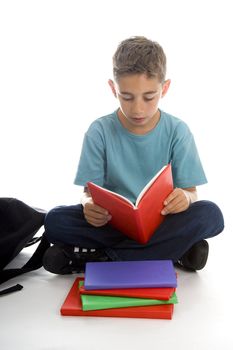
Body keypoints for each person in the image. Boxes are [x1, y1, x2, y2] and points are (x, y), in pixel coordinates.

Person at [43, 36, 224, 274]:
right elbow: (89, 193)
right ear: (113, 89)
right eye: (126, 97)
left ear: (165, 88)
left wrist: (186, 198)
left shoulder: (178, 131)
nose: (138, 108)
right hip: (111, 224)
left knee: (210, 214)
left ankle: (101, 259)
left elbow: (191, 192)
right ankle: (174, 251)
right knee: (55, 220)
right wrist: (88, 205)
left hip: (161, 223)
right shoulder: (99, 131)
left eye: (149, 97)